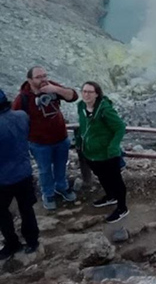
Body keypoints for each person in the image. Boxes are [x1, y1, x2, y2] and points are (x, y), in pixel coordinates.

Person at [12, 66, 78, 210]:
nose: (43, 79)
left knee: (61, 165)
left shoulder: (51, 86)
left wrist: (56, 90)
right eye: (38, 77)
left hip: (61, 138)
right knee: (45, 170)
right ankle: (48, 193)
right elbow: (15, 121)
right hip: (39, 143)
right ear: (29, 80)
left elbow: (73, 96)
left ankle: (61, 187)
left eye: (44, 75)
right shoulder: (22, 98)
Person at [75, 81, 129, 223]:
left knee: (116, 180)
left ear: (97, 94)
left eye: (90, 92)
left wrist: (113, 146)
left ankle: (122, 207)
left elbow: (120, 127)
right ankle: (110, 196)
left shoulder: (105, 110)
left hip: (107, 154)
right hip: (90, 153)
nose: (86, 94)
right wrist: (79, 141)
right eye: (84, 91)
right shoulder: (81, 106)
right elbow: (82, 125)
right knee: (102, 176)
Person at [0, 88, 39, 259]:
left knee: (1, 212)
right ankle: (32, 242)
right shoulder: (22, 116)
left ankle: (12, 243)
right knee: (27, 209)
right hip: (24, 172)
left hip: (3, 178)